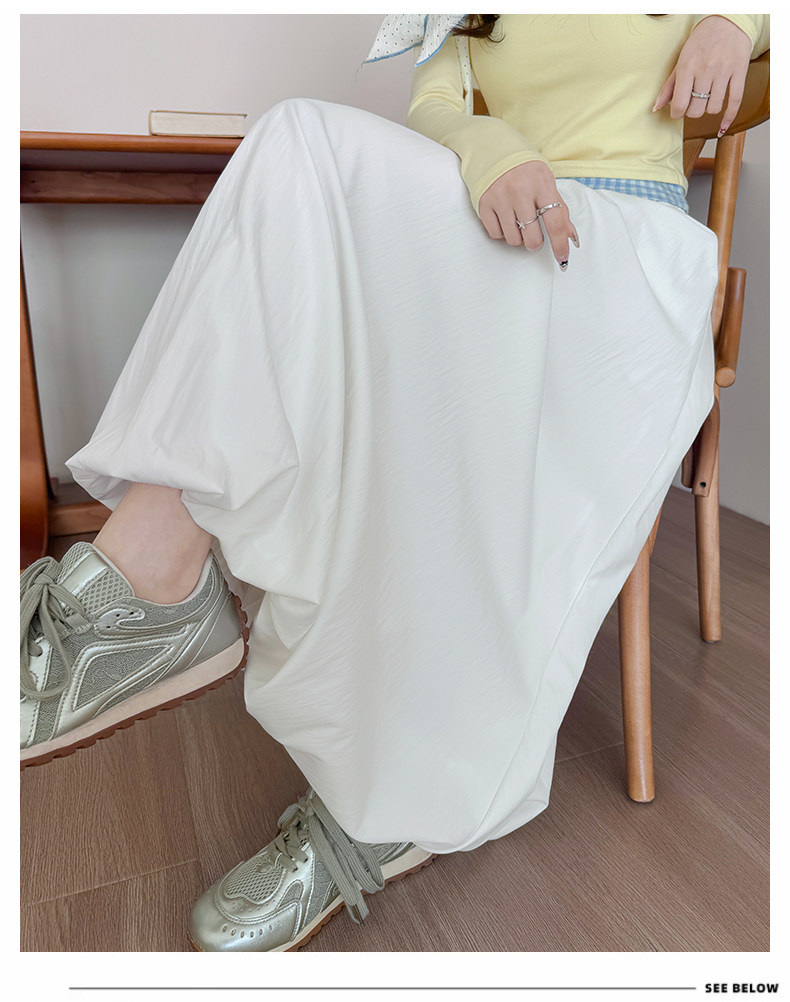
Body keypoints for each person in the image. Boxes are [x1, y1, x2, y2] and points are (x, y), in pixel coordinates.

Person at [20, 13, 769, 952]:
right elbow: (436, 100)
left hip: (630, 261)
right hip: (507, 238)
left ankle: (376, 796)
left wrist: (736, 20)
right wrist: (493, 150)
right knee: (300, 142)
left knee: (389, 389)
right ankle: (146, 578)